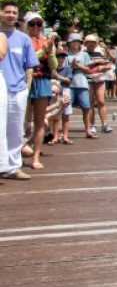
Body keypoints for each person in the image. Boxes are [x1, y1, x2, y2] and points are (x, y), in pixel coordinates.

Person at [1, 0, 39, 180]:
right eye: (7, 12)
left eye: (14, 12)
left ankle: (14, 167)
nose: (10, 15)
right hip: (1, 89)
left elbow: (29, 67)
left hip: (18, 90)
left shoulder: (23, 39)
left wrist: (26, 89)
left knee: (16, 130)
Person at [24, 11, 56, 170]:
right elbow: (27, 59)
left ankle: (36, 156)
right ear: (26, 25)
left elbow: (54, 65)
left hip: (43, 79)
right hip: (26, 80)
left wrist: (49, 50)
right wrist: (43, 50)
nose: (36, 27)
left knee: (40, 120)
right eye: (32, 23)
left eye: (39, 24)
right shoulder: (23, 40)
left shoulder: (47, 41)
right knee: (22, 119)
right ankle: (19, 150)